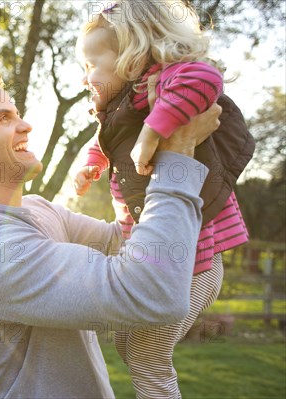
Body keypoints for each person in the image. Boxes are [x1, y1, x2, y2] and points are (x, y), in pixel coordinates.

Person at [0, 67, 220, 398]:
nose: (25, 125)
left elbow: (131, 242)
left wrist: (160, 117)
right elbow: (152, 291)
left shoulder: (40, 209)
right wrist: (177, 156)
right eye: (4, 118)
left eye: (17, 114)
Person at [73, 1, 254, 397]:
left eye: (91, 64)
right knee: (127, 344)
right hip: (170, 262)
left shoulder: (170, 79)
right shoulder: (121, 110)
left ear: (132, 54)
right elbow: (106, 141)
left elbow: (205, 80)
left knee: (148, 356)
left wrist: (153, 133)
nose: (86, 77)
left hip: (196, 265)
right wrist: (90, 164)